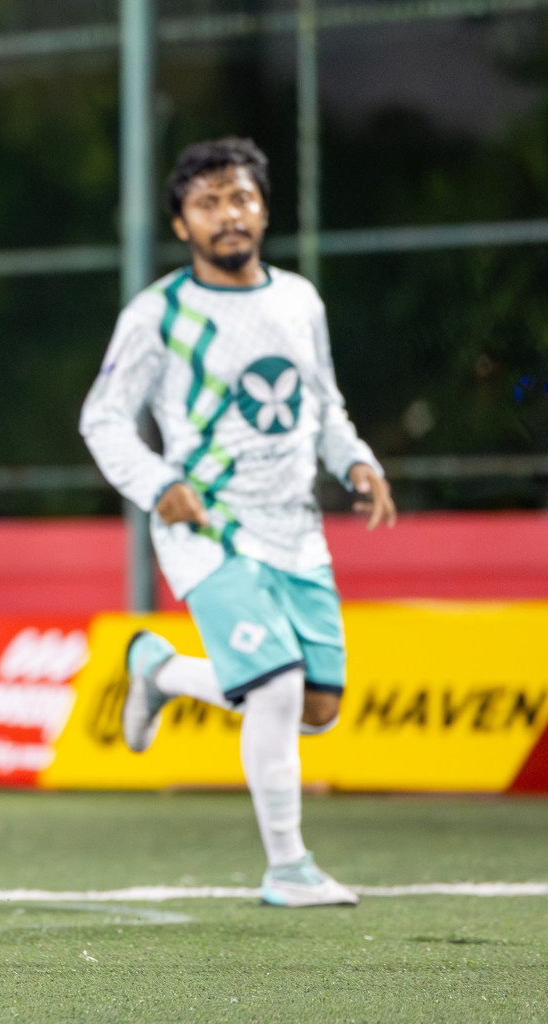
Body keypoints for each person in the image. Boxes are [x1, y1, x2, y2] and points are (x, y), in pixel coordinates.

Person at [79, 137, 396, 908]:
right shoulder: (160, 313)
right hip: (207, 527)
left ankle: (159, 671)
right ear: (183, 223)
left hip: (295, 529)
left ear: (263, 208)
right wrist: (159, 486)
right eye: (209, 203)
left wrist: (356, 459)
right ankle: (288, 868)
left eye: (242, 198)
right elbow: (104, 418)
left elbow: (320, 401)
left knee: (317, 708)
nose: (229, 214)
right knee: (279, 687)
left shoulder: (299, 300)